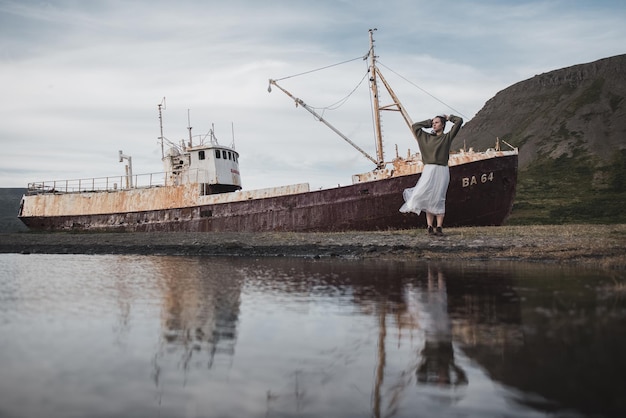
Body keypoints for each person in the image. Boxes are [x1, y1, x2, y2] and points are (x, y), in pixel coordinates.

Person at [399, 114, 463, 236]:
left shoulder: (447, 137)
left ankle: (439, 227)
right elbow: (415, 126)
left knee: (439, 197)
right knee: (426, 195)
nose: (434, 124)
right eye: (433, 122)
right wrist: (429, 122)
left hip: (442, 170)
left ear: (443, 125)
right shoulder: (424, 137)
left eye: (437, 122)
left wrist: (449, 117)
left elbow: (459, 121)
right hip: (429, 169)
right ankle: (429, 226)